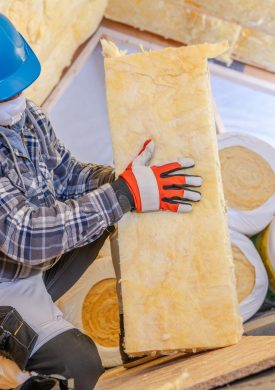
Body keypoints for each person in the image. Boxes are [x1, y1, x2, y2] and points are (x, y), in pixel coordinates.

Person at [0, 13, 202, 390]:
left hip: (36, 266)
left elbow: (69, 176)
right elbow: (24, 235)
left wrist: (122, 179)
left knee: (117, 209)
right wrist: (123, 194)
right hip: (5, 285)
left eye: (18, 88)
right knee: (79, 366)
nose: (16, 101)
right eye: (4, 94)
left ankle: (147, 333)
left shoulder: (29, 119)